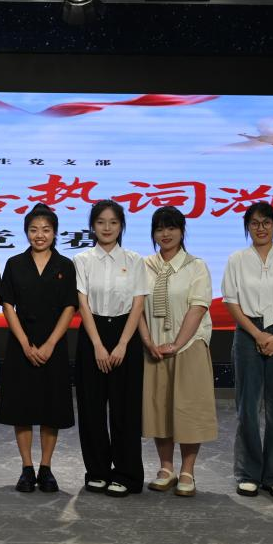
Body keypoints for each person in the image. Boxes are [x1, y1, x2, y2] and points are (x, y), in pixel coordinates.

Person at [221, 201, 273, 500]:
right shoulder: (237, 259)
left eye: (266, 222)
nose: (261, 228)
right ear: (247, 227)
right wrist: (257, 334)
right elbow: (231, 301)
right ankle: (248, 474)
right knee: (247, 407)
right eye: (255, 223)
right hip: (248, 333)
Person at [0, 204, 77, 493]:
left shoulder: (65, 265)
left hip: (54, 345)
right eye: (33, 230)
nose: (39, 235)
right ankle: (27, 468)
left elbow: (70, 306)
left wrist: (50, 344)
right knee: (22, 409)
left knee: (51, 409)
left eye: (46, 230)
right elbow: (7, 305)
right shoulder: (15, 263)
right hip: (21, 345)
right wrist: (25, 344)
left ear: (55, 233)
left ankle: (46, 467)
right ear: (26, 232)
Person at [138, 206, 217, 498]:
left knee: (188, 409)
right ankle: (166, 467)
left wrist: (176, 343)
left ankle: (187, 470)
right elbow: (137, 308)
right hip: (154, 348)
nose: (165, 234)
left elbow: (198, 308)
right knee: (160, 408)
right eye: (159, 228)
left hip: (188, 345)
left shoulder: (196, 266)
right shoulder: (144, 266)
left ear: (182, 231)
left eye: (171, 227)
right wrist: (149, 342)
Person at [74, 199, 149, 498]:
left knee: (125, 409)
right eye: (101, 222)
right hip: (91, 334)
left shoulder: (134, 260)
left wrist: (121, 344)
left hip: (124, 335)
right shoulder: (82, 259)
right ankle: (97, 471)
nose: (107, 228)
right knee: (91, 408)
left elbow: (138, 303)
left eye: (113, 222)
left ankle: (127, 474)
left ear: (122, 226)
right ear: (92, 226)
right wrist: (97, 345)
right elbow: (82, 303)